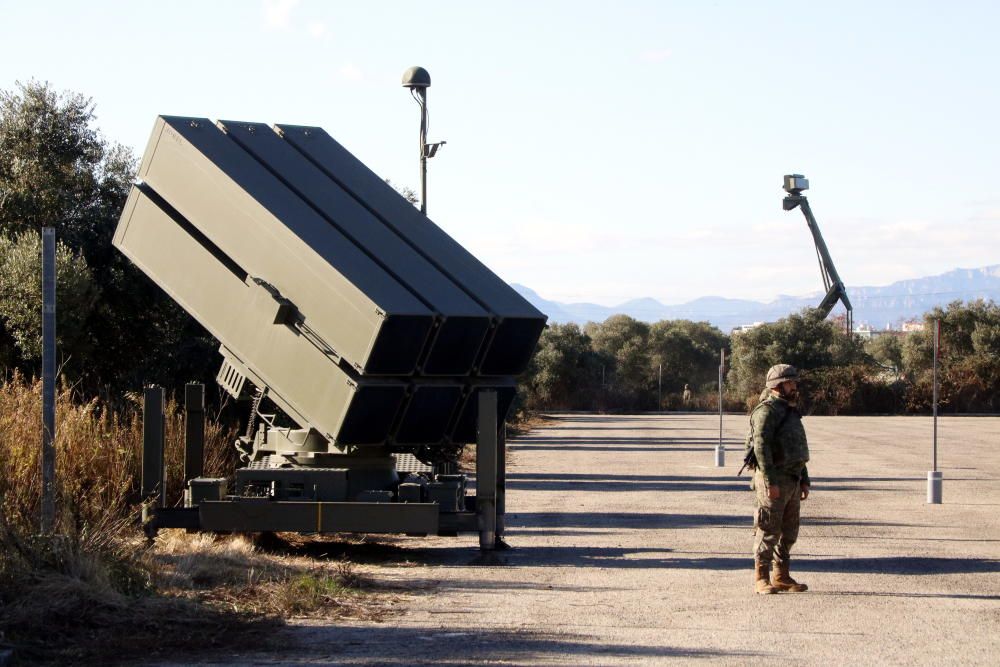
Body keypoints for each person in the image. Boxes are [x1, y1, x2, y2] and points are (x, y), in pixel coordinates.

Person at [746, 364, 811, 594]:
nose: (794, 386)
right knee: (768, 529)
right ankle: (761, 577)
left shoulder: (790, 409)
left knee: (790, 531)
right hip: (773, 479)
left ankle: (781, 575)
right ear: (777, 385)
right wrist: (770, 482)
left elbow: (797, 449)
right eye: (790, 382)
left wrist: (804, 479)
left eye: (794, 382)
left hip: (792, 478)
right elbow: (761, 449)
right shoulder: (766, 412)